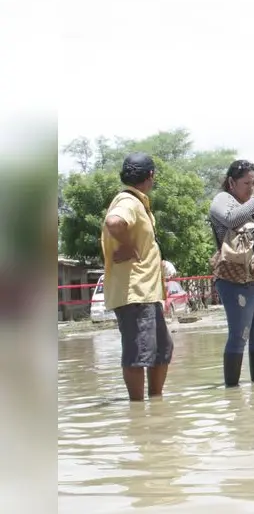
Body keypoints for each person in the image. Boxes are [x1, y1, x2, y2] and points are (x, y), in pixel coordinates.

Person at [101, 153, 173, 402]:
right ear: (150, 175)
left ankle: (154, 405)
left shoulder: (137, 201)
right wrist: (126, 244)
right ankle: (137, 410)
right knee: (138, 354)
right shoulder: (128, 201)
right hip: (135, 292)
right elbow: (113, 222)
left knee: (162, 351)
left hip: (146, 291)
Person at [209, 160, 254, 387]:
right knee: (239, 336)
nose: (251, 187)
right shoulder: (223, 200)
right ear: (231, 182)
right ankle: (232, 393)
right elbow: (231, 219)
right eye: (246, 183)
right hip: (236, 279)